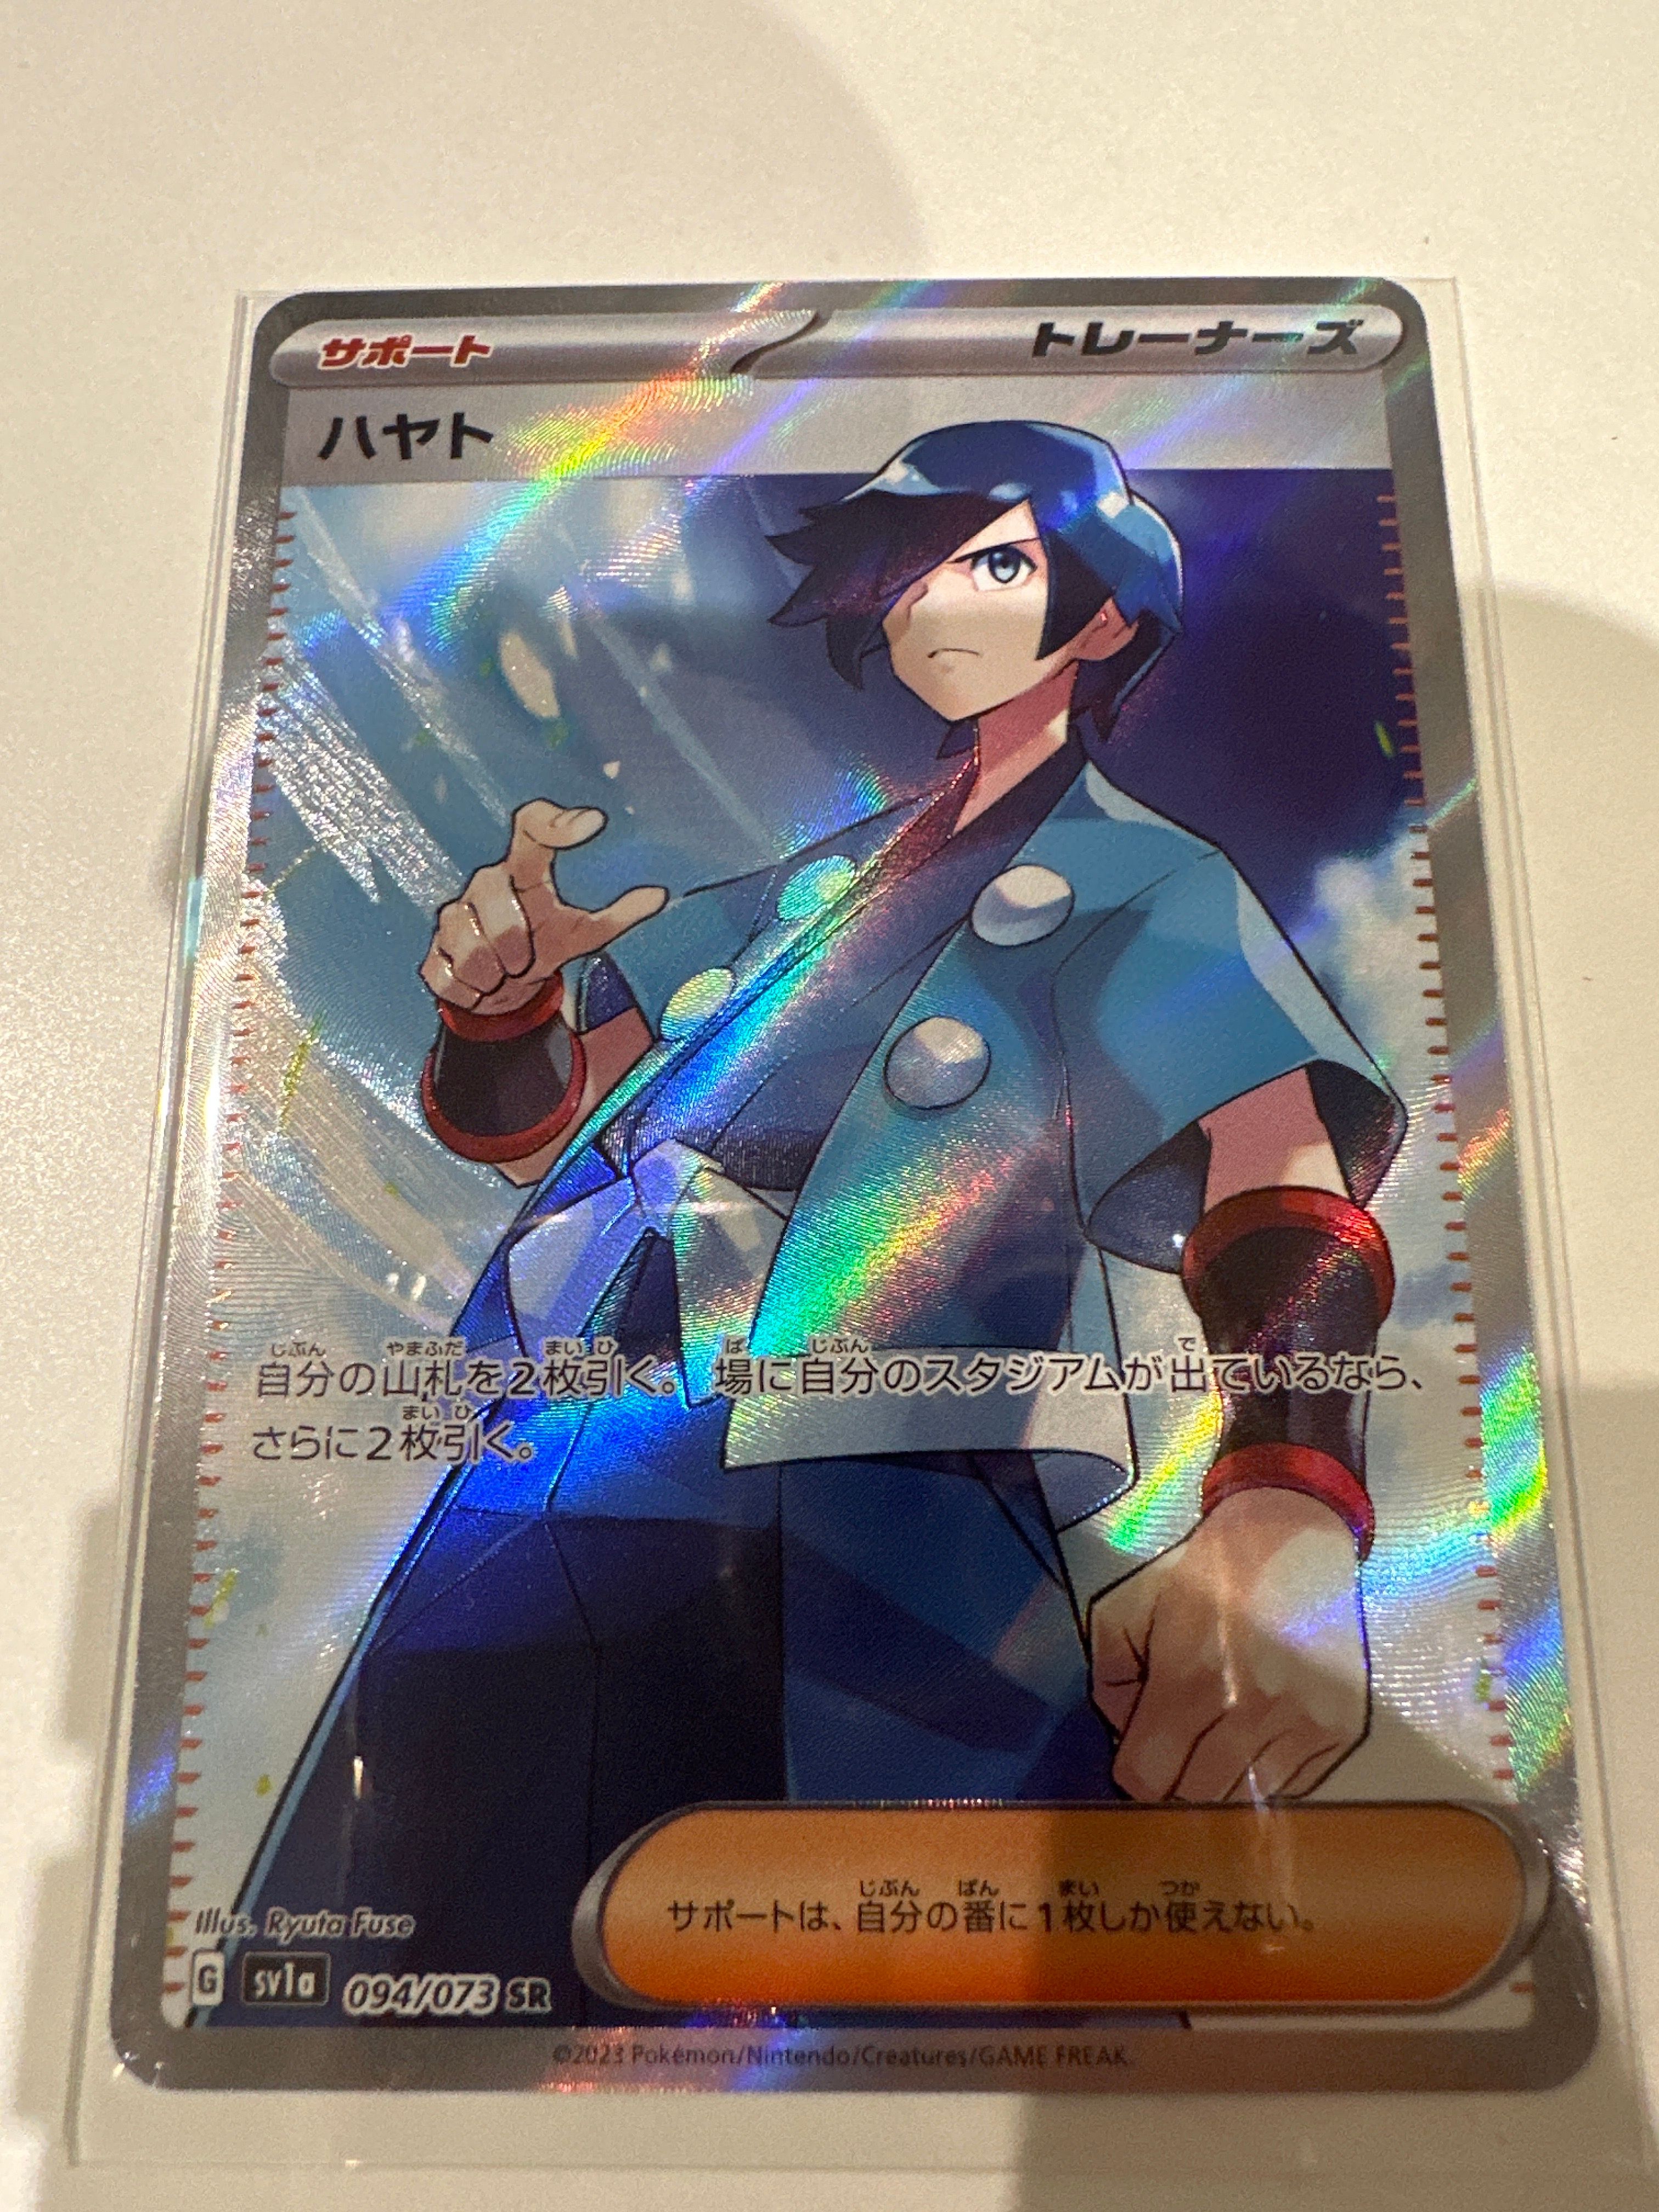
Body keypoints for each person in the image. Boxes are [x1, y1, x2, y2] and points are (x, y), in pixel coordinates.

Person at [225, 420, 1403, 2022]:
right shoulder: (811, 893)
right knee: (385, 1961)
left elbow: (1282, 1190)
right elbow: (548, 1123)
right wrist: (500, 1010)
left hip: (887, 1497)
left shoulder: (1143, 883)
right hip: (557, 1470)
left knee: (943, 2009)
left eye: (998, 564)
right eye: (913, 573)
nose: (939, 606)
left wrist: (1284, 1496)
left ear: (1108, 616)